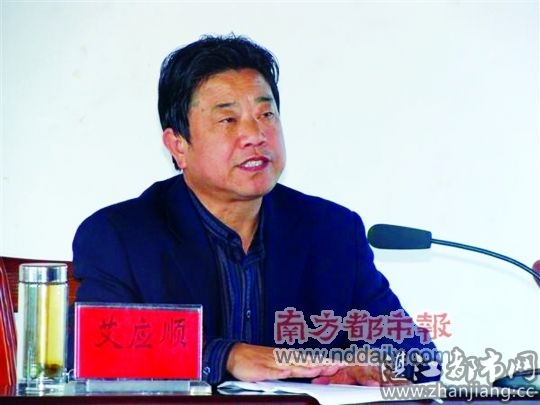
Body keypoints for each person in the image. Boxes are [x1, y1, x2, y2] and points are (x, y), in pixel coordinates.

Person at [71, 34, 440, 385]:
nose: (255, 135)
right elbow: (99, 351)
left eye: (266, 115)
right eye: (228, 120)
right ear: (178, 145)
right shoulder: (120, 236)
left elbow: (418, 356)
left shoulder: (332, 232)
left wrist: (374, 363)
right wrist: (226, 356)